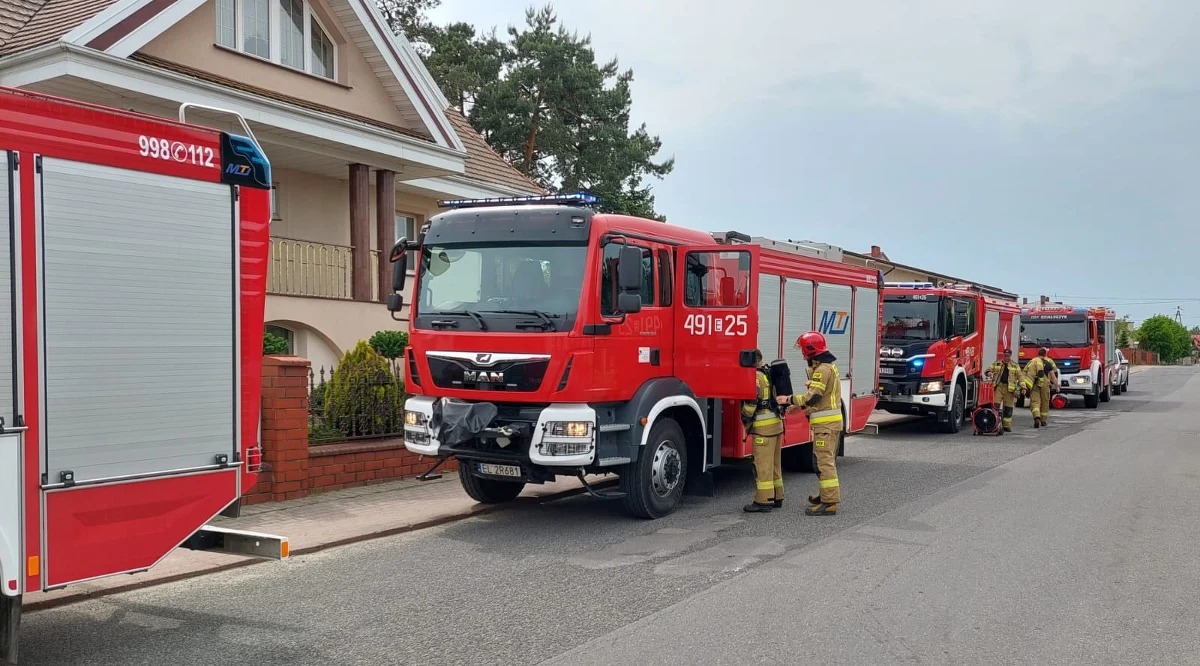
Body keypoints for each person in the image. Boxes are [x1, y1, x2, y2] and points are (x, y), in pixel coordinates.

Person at [777, 331, 843, 517]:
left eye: (804, 351)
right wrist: (802, 408)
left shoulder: (822, 370)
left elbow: (813, 397)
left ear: (811, 351)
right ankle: (825, 495)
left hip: (826, 426)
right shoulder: (827, 367)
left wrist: (788, 399)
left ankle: (829, 502)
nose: (803, 355)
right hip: (828, 425)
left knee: (823, 463)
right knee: (821, 461)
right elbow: (820, 398)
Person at [740, 349, 784, 513]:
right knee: (774, 465)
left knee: (762, 466)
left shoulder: (755, 377)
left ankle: (763, 500)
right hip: (776, 425)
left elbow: (752, 400)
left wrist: (746, 416)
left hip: (763, 428)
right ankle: (777, 496)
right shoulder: (768, 373)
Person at [985, 348, 1024, 432]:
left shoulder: (1015, 365)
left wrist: (1023, 387)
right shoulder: (997, 363)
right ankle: (993, 423)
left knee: (1008, 407)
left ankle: (1006, 425)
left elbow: (1020, 377)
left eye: (1008, 356)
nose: (1006, 357)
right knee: (996, 405)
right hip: (999, 387)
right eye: (1005, 355)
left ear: (1010, 355)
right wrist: (989, 373)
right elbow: (988, 370)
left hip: (1010, 389)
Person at [1021, 347, 1059, 428]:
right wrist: (1057, 386)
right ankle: (1043, 421)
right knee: (1045, 402)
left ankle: (1036, 417)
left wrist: (1025, 386)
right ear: (1045, 354)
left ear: (1038, 354)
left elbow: (1025, 372)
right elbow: (1053, 376)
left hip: (1034, 385)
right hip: (1045, 385)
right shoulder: (1049, 363)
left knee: (1035, 402)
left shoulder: (1032, 362)